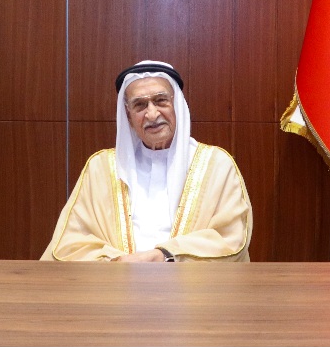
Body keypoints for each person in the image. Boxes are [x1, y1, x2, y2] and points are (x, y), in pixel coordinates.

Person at [42, 61, 252, 262]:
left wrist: (166, 256)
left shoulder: (216, 165)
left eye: (161, 101)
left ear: (177, 105)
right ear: (128, 115)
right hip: (115, 282)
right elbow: (71, 242)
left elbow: (231, 238)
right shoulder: (102, 167)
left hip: (193, 284)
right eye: (140, 105)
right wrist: (117, 262)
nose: (152, 114)